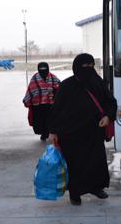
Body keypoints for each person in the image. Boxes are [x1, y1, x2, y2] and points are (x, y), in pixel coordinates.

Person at [48, 53, 117, 206]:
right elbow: (56, 110)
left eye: (91, 66)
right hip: (70, 134)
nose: (89, 69)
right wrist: (53, 131)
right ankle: (75, 194)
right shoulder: (66, 85)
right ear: (76, 67)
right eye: (85, 66)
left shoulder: (98, 83)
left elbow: (110, 102)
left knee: (96, 162)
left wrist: (108, 116)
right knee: (75, 165)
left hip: (93, 132)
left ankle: (96, 188)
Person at [23, 62, 60, 141]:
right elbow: (31, 89)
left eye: (45, 69)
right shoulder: (35, 78)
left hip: (50, 104)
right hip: (38, 104)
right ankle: (43, 134)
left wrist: (54, 90)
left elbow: (60, 88)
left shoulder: (53, 77)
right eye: (41, 69)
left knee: (51, 120)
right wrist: (26, 100)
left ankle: (49, 133)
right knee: (40, 121)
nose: (43, 71)